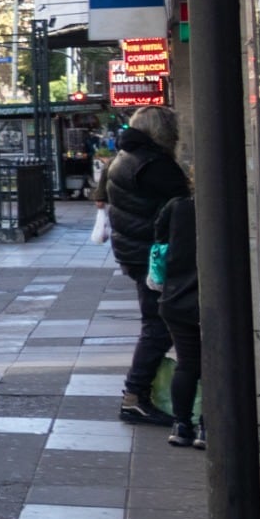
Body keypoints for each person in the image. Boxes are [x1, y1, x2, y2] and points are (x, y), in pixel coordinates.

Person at [103, 105, 190, 426]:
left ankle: (138, 394)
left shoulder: (125, 158)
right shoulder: (154, 163)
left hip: (138, 253)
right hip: (155, 255)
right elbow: (184, 205)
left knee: (158, 324)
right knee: (160, 327)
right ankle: (135, 396)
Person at [154, 193, 202, 448]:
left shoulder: (177, 206)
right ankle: (208, 425)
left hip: (177, 297)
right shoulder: (227, 205)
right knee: (219, 363)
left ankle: (181, 425)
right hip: (213, 300)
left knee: (187, 364)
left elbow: (159, 240)